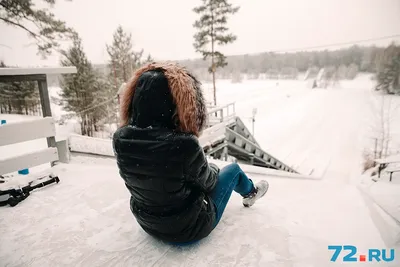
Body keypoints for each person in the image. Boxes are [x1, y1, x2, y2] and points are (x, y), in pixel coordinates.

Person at [113, 62, 269, 245]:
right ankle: (251, 193)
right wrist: (211, 168)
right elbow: (209, 182)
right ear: (173, 101)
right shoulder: (183, 144)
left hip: (147, 223)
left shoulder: (120, 139)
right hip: (187, 228)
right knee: (233, 170)